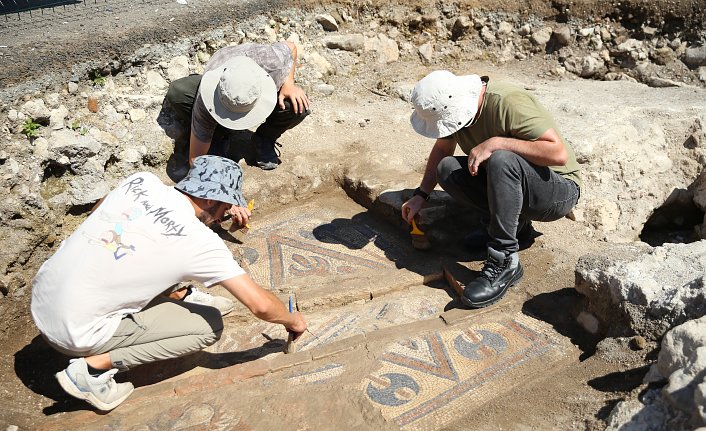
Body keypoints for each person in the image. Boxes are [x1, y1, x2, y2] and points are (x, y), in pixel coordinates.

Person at [31, 155, 307, 411]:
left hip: (43, 296)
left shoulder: (141, 181)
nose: (225, 213)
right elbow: (259, 305)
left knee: (136, 251)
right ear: (212, 200)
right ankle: (91, 371)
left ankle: (176, 295)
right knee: (209, 325)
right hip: (71, 333)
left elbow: (97, 212)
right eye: (225, 205)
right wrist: (291, 321)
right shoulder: (199, 241)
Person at [401, 70, 581, 308]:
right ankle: (515, 228)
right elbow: (443, 151)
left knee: (501, 159)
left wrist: (497, 143)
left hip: (557, 189)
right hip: (520, 184)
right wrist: (421, 195)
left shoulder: (507, 102)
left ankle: (504, 260)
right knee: (447, 169)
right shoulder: (456, 109)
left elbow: (557, 154)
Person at [166, 41, 310, 170]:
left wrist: (288, 84)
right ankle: (218, 134)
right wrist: (201, 176)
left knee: (298, 105)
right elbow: (196, 157)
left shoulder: (272, 62)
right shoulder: (206, 98)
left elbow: (291, 47)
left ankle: (264, 139)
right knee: (179, 92)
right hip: (221, 77)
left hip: (257, 69)